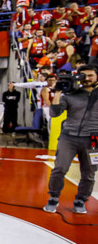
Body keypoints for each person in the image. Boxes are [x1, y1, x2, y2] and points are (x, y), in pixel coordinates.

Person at [43, 64, 98, 215]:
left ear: (96, 76)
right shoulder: (71, 94)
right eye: (83, 76)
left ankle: (81, 200)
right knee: (59, 169)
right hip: (69, 137)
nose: (87, 79)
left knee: (89, 173)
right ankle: (53, 197)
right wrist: (58, 92)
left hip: (93, 139)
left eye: (90, 76)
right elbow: (54, 113)